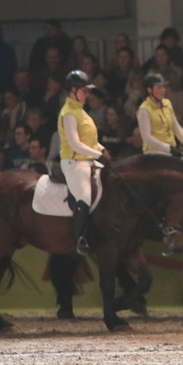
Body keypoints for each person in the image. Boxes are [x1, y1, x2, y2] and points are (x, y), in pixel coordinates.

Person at [58, 70, 108, 255]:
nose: (88, 94)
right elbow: (75, 144)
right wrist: (97, 154)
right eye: (85, 91)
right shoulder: (69, 113)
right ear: (73, 90)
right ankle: (79, 239)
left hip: (87, 159)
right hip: (73, 162)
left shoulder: (81, 111)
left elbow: (89, 140)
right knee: (85, 196)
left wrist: (101, 149)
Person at [137, 73, 183, 156]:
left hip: (170, 150)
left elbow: (176, 126)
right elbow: (147, 138)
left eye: (164, 87)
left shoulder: (167, 103)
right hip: (154, 152)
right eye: (159, 87)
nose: (163, 90)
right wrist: (169, 148)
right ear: (149, 90)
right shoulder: (144, 110)